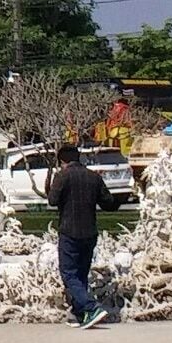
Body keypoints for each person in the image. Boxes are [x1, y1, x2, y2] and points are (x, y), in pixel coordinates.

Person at [47, 140, 108, 329]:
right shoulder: (93, 177)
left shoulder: (62, 176)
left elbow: (53, 200)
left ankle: (91, 307)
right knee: (81, 274)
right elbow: (109, 202)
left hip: (69, 231)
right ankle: (82, 314)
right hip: (90, 231)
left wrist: (50, 185)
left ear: (62, 161)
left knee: (69, 274)